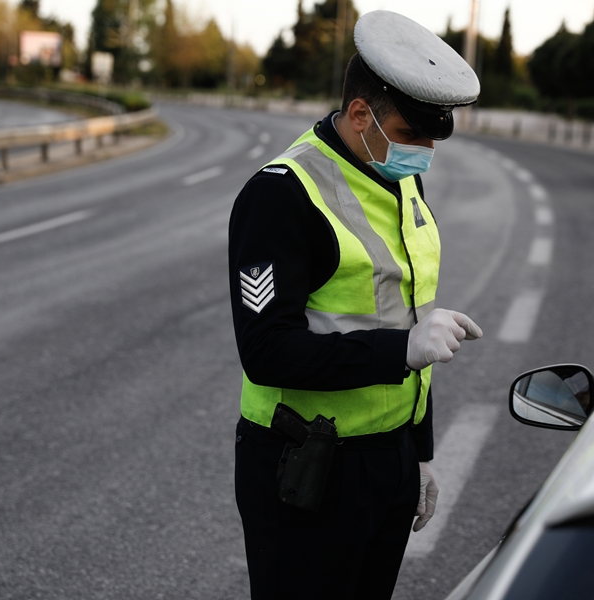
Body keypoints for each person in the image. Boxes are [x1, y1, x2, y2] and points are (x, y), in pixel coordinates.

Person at [228, 10, 482, 600]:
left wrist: (417, 454)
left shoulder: (399, 180)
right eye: (411, 134)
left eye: (431, 138)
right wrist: (404, 349)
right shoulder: (281, 195)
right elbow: (266, 352)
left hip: (385, 459)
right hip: (305, 466)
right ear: (361, 113)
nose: (422, 151)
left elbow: (404, 312)